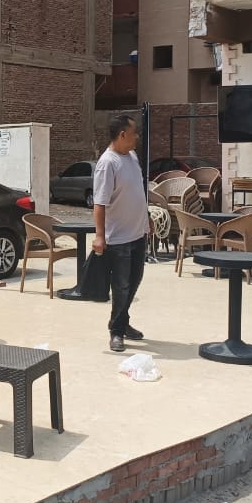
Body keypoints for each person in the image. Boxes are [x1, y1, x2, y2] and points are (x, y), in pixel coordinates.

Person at [93, 114, 148, 353]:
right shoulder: (108, 163)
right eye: (134, 133)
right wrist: (99, 236)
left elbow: (136, 191)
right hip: (119, 238)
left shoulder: (132, 157)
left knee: (134, 281)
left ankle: (123, 322)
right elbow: (100, 203)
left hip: (138, 233)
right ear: (122, 135)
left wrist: (146, 220)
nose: (137, 138)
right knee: (121, 286)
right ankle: (116, 331)